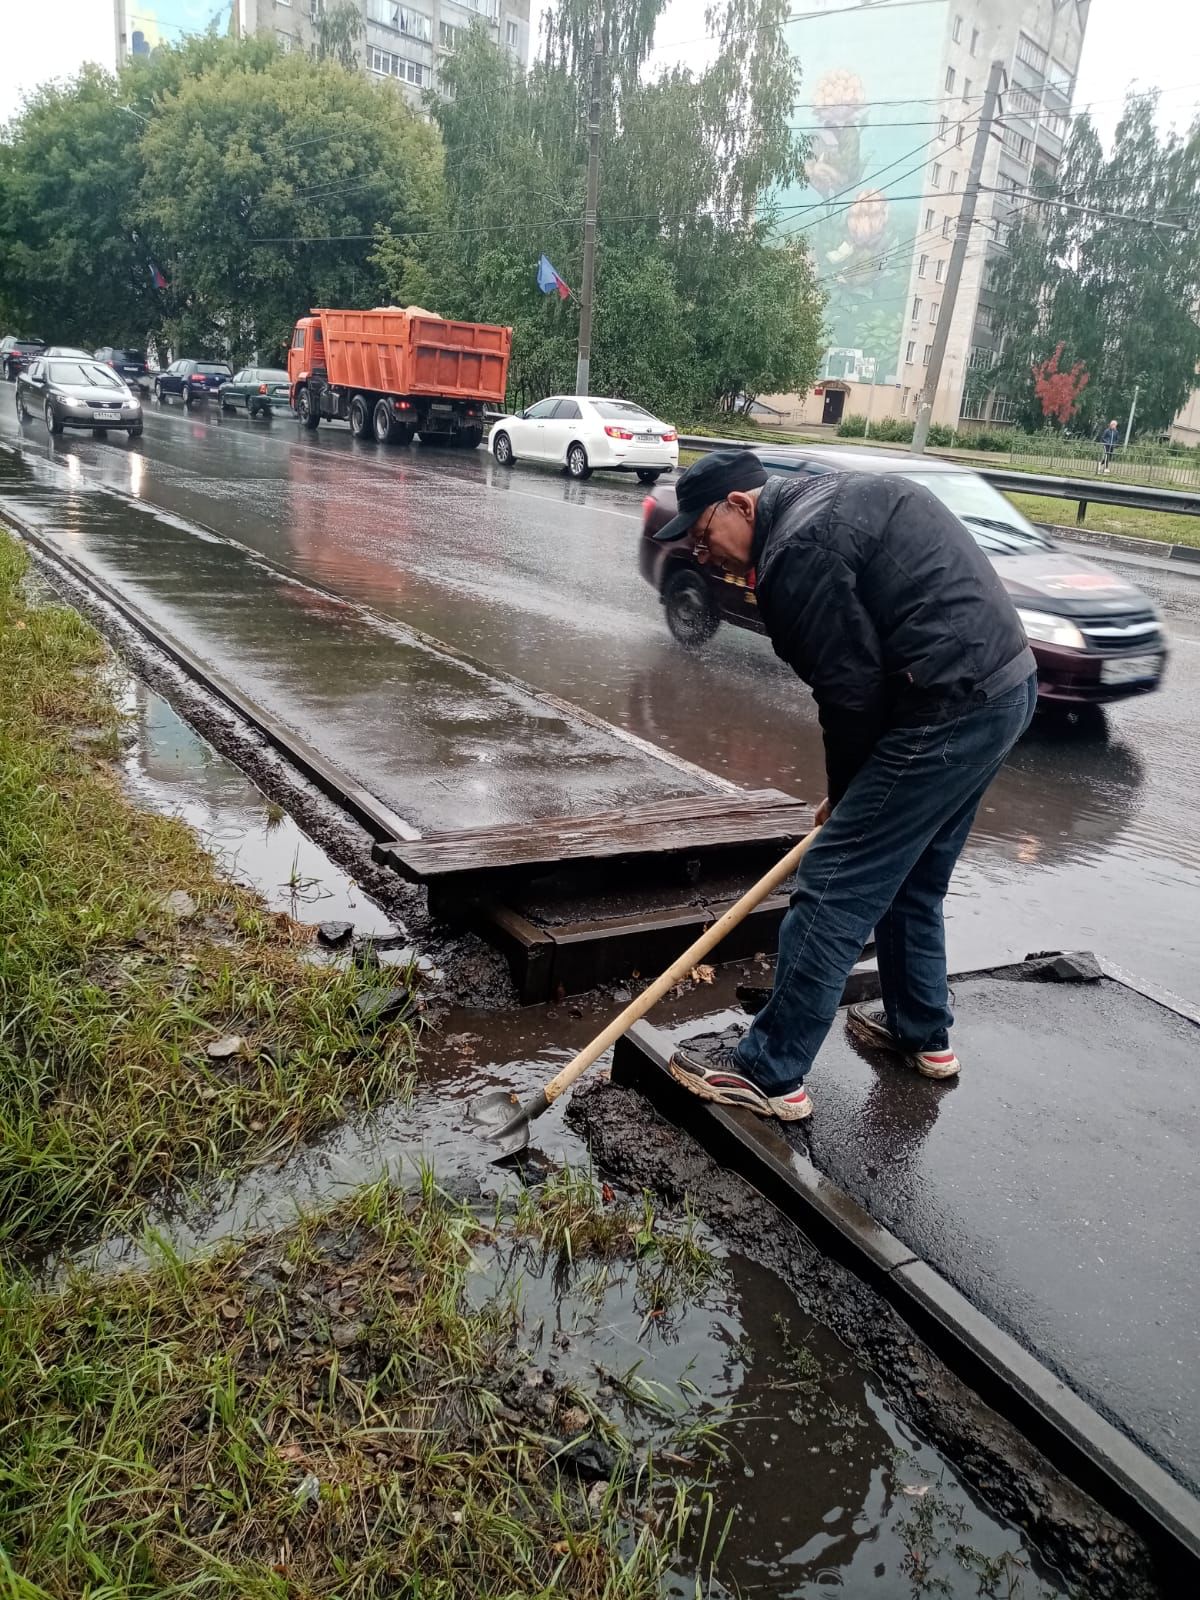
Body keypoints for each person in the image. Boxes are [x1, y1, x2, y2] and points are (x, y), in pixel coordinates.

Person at [654, 451, 1037, 1121]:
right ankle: (923, 1034)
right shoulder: (823, 499)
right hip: (1005, 687)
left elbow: (850, 695)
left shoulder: (794, 556)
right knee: (912, 877)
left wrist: (851, 797)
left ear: (742, 505)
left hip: (950, 705)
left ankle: (769, 1071)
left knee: (834, 880)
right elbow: (867, 676)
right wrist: (854, 794)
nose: (702, 553)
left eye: (703, 533)